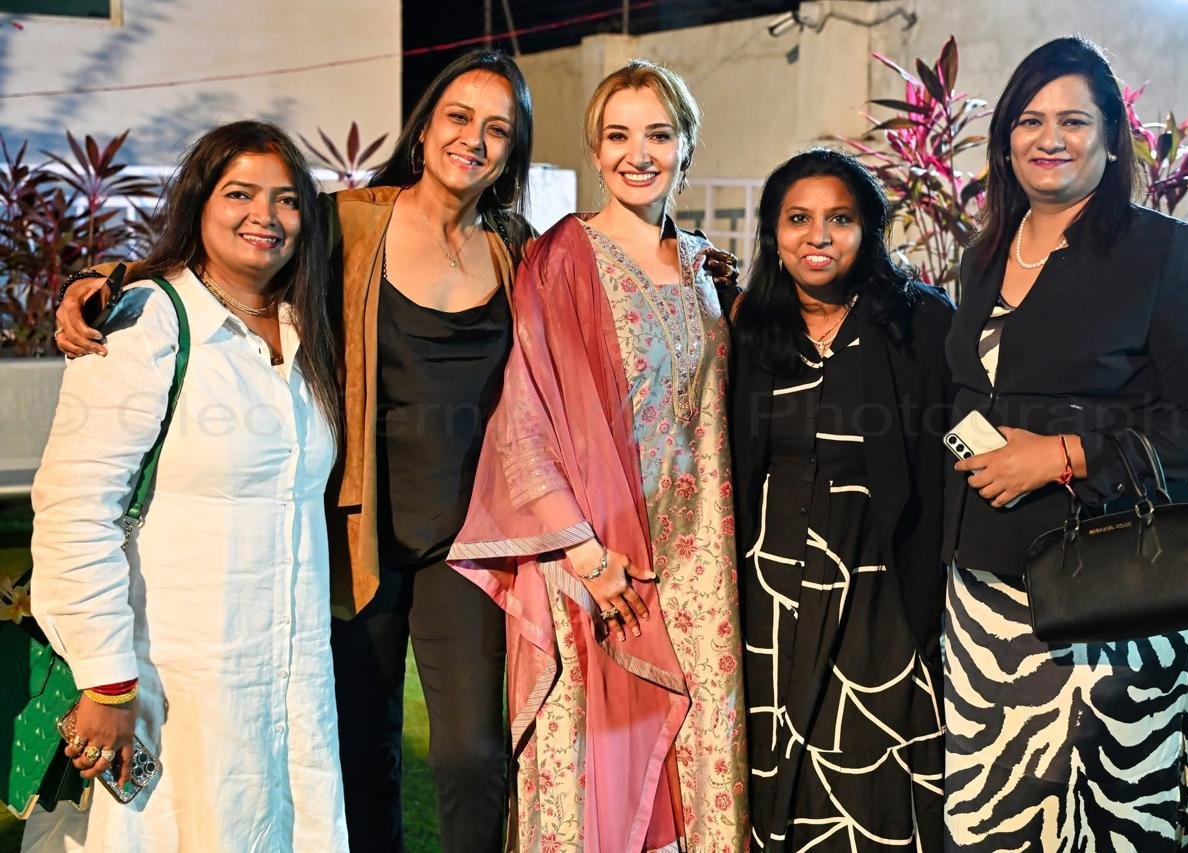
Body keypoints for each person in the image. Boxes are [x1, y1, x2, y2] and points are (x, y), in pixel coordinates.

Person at [52, 50, 533, 853]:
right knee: (359, 750)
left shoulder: (516, 249)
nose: (473, 139)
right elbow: (237, 243)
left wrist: (690, 251)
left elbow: (596, 281)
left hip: (466, 538)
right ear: (423, 129)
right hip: (353, 531)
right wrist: (105, 276)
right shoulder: (351, 221)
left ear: (513, 151)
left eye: (497, 128)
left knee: (473, 754)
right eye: (458, 116)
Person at [941, 36, 1188, 850]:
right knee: (995, 817)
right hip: (986, 600)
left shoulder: (1159, 253)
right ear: (1006, 139)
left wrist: (1063, 453)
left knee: (1109, 821)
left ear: (1111, 139)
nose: (1050, 138)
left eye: (1073, 121)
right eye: (1030, 120)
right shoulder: (985, 255)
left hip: (1110, 591)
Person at [448, 60, 749, 851]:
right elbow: (525, 418)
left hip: (699, 561)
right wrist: (585, 555)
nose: (637, 154)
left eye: (658, 135)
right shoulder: (562, 258)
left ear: (687, 147)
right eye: (618, 136)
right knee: (600, 771)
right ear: (594, 150)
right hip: (599, 558)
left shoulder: (705, 267)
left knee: (693, 764)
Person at [30, 120, 346, 849]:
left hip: (290, 677)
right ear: (199, 202)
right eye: (239, 194)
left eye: (287, 199)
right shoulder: (147, 323)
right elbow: (75, 509)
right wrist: (107, 678)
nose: (265, 215)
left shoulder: (307, 330)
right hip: (171, 674)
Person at [730, 148, 951, 851]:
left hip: (880, 579)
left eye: (840, 219)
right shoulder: (750, 327)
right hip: (770, 585)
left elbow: (956, 443)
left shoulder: (922, 324)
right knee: (773, 762)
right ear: (773, 232)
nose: (818, 236)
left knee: (868, 763)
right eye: (798, 219)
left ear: (869, 230)